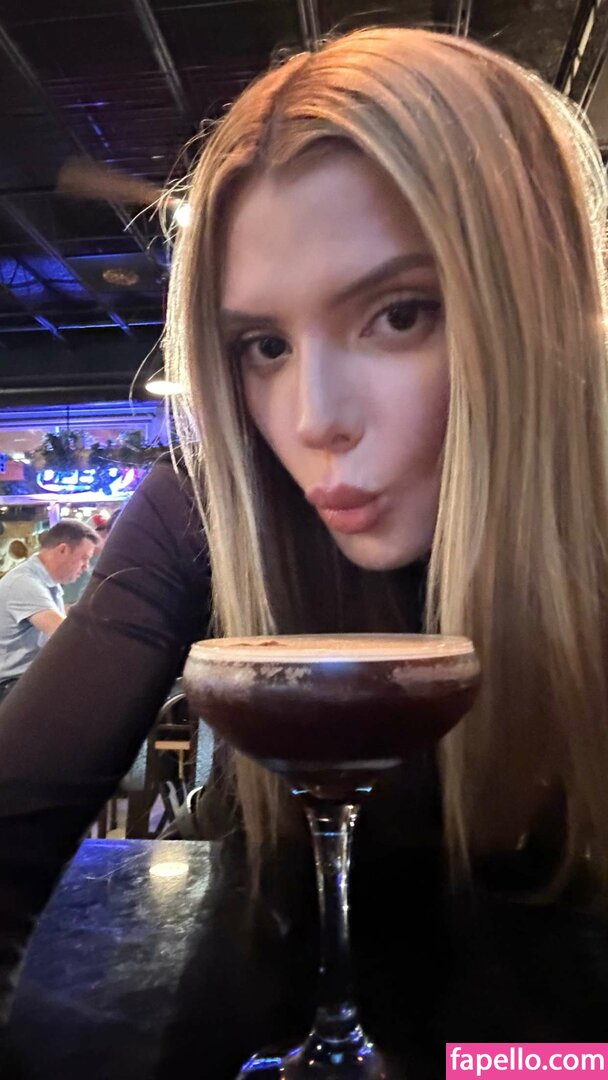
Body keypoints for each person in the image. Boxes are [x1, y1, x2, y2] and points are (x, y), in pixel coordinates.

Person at [1, 23, 608, 1042]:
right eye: (263, 345)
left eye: (399, 314)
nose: (312, 419)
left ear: (534, 308)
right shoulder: (205, 503)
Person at [0, 519, 99, 703]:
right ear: (63, 550)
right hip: (11, 688)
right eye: (84, 558)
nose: (86, 566)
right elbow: (64, 635)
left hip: (25, 681)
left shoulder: (47, 584)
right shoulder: (25, 583)